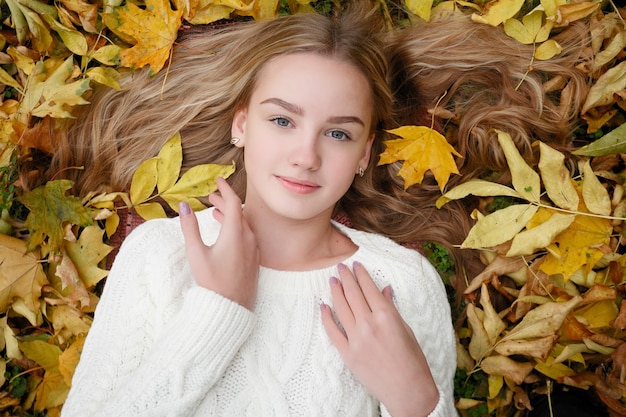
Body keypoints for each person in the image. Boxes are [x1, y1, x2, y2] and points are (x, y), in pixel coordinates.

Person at [47, 2, 592, 416]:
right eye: (282, 120)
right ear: (242, 125)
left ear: (364, 155)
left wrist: (419, 404)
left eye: (336, 133)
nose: (305, 156)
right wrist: (216, 312)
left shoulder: (398, 283)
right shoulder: (162, 253)